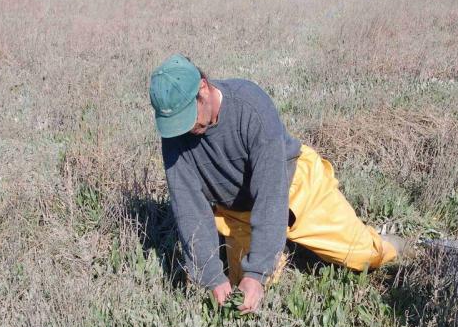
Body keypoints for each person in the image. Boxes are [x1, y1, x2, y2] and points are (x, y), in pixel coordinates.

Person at [150, 54, 410, 313]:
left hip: (297, 188)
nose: (183, 130)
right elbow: (190, 209)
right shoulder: (176, 134)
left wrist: (258, 270)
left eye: (187, 117)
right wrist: (211, 277)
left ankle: (391, 241)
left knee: (364, 257)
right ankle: (277, 246)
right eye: (175, 124)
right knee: (244, 291)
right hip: (238, 213)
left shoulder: (250, 106)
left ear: (203, 88)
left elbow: (271, 192)